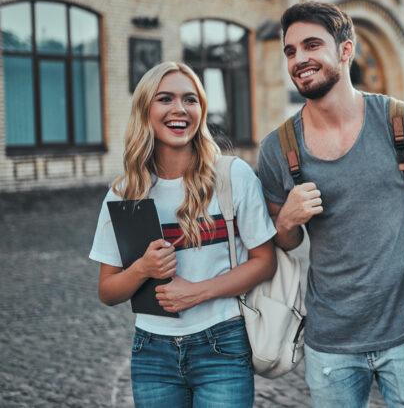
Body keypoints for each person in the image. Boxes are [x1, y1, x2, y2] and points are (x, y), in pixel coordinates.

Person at [257, 1, 404, 407]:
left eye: (311, 45)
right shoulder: (277, 148)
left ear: (345, 50)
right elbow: (284, 243)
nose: (299, 58)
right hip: (330, 342)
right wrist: (286, 219)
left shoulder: (401, 123)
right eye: (290, 51)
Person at [89, 61, 277, 407]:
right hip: (152, 352)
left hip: (223, 344)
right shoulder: (125, 192)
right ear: (146, 109)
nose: (180, 109)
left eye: (190, 99)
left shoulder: (232, 176)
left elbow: (264, 262)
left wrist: (198, 293)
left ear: (201, 110)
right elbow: (107, 291)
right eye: (166, 99)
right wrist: (142, 269)